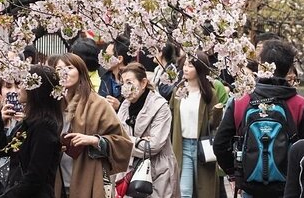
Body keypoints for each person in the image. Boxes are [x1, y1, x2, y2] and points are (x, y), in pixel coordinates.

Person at [214, 39, 304, 198]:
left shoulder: (241, 101)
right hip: (286, 189)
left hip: (250, 186)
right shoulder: (300, 105)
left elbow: (220, 144)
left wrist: (235, 174)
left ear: (261, 65)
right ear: (288, 69)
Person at [47, 52, 132, 198]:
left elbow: (123, 142)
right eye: (59, 69)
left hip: (89, 177)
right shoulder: (51, 105)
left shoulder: (98, 104)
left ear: (80, 72)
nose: (64, 73)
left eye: (69, 67)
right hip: (55, 179)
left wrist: (94, 140)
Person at [0, 65, 63, 198]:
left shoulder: (44, 126)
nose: (19, 89)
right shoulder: (29, 122)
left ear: (35, 89)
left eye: (23, 84)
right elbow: (3, 149)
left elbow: (35, 177)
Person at [117, 62, 180, 198]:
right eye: (123, 83)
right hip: (130, 170)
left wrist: (126, 141)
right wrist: (139, 141)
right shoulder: (125, 106)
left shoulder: (160, 106)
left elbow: (154, 146)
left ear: (143, 82)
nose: (125, 87)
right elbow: (117, 138)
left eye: (129, 82)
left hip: (157, 171)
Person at [170, 51, 223, 198]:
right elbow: (171, 117)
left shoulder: (209, 93)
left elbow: (214, 123)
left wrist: (218, 112)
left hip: (203, 146)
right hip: (183, 146)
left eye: (191, 65)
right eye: (185, 65)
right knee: (184, 191)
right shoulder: (178, 91)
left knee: (204, 192)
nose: (186, 68)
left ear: (199, 69)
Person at [98, 34, 132, 111]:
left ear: (119, 59)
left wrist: (120, 107)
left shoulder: (133, 80)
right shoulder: (105, 77)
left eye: (107, 56)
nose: (103, 59)